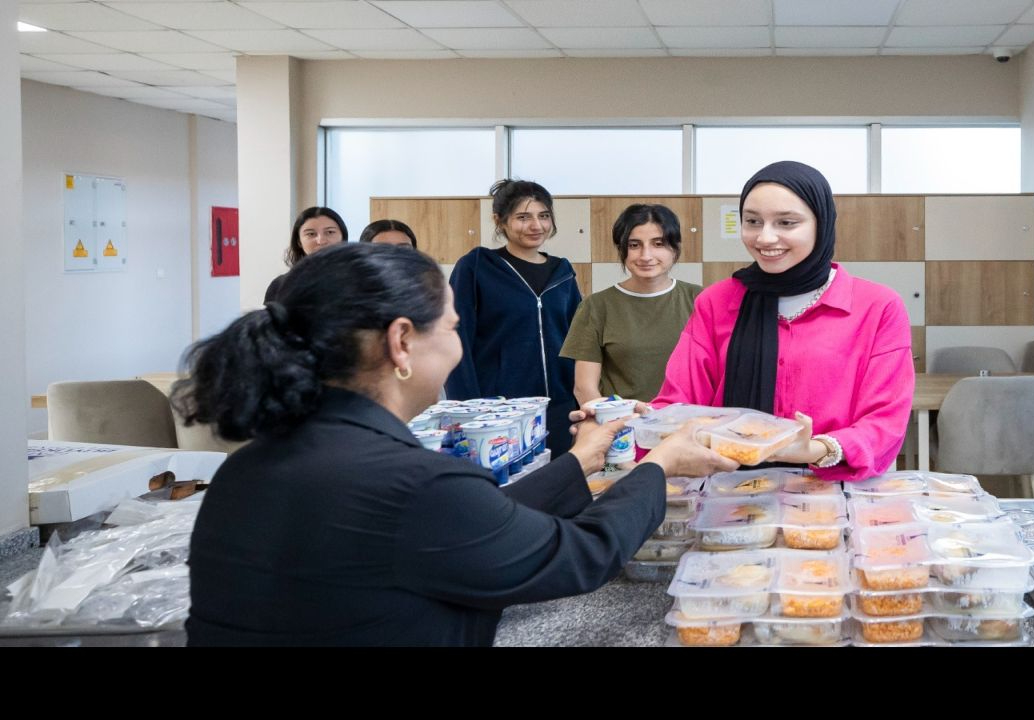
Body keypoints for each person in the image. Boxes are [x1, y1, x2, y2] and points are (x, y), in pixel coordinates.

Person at [173, 243, 735, 646]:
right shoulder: (412, 484)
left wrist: (579, 461)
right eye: (452, 327)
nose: (458, 345)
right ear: (401, 342)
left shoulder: (252, 464)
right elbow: (578, 556)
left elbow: (473, 522)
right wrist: (659, 465)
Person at [651, 161, 915, 481]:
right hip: (729, 493)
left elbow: (885, 421)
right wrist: (637, 422)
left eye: (786, 222)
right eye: (752, 221)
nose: (765, 238)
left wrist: (818, 449)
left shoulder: (877, 307)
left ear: (822, 224)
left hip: (830, 497)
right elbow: (679, 401)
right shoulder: (717, 303)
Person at [445, 179, 580, 456]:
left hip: (560, 407)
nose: (536, 226)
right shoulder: (477, 267)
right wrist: (469, 411)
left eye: (543, 216)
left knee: (562, 488)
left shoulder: (563, 272)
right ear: (500, 220)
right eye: (523, 217)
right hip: (499, 412)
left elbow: (579, 339)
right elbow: (455, 339)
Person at [561, 204, 700, 405]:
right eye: (634, 245)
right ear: (622, 249)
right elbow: (584, 388)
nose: (646, 256)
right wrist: (615, 422)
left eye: (658, 244)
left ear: (675, 247)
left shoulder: (700, 299)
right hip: (622, 426)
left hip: (686, 424)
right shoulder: (596, 306)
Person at [264, 206, 347, 303]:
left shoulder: (359, 280)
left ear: (343, 238)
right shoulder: (280, 286)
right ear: (299, 241)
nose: (320, 241)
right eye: (311, 234)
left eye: (329, 232)